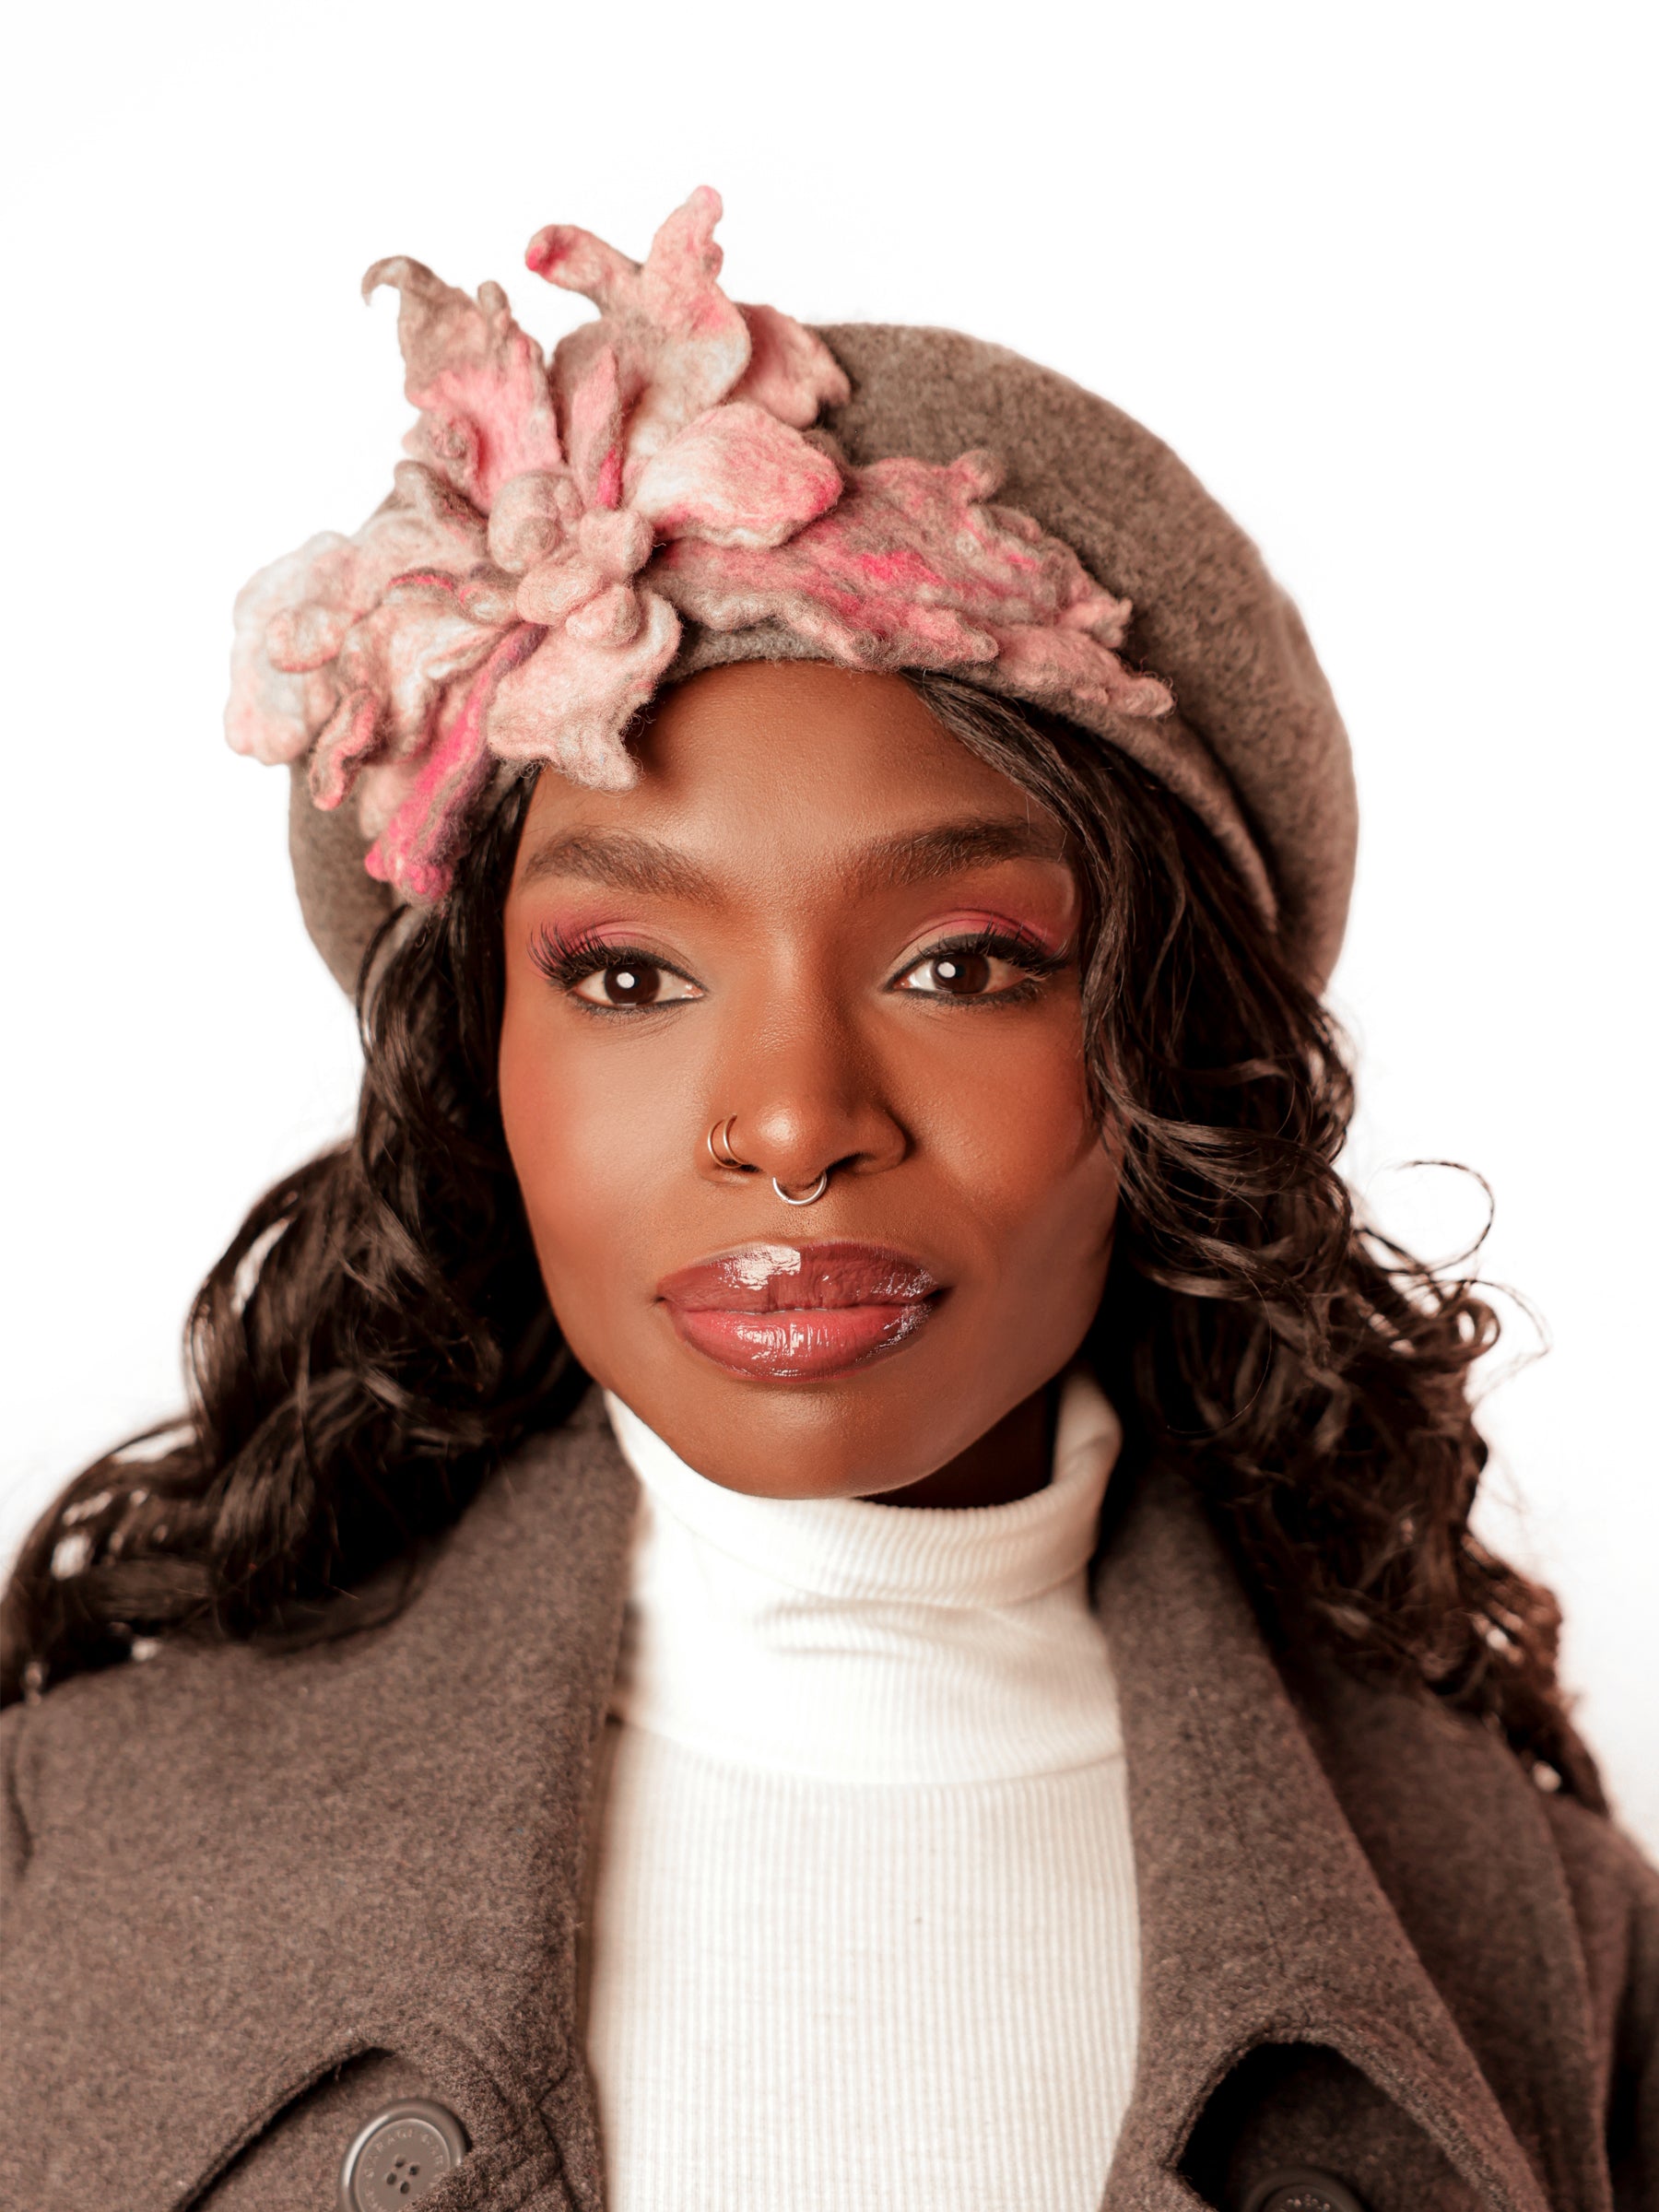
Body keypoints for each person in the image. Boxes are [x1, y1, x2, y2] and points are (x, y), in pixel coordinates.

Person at [1, 189, 1653, 2212]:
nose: (793, 1124)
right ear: (474, 1075)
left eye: (962, 965)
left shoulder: (1548, 1950)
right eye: (627, 978)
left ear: (1172, 1063)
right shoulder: (65, 1848)